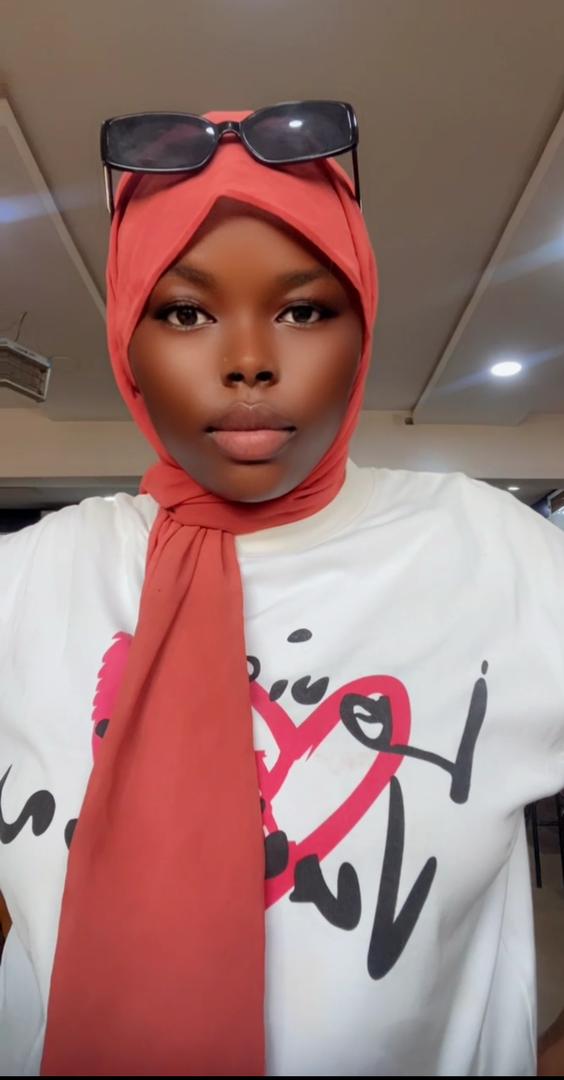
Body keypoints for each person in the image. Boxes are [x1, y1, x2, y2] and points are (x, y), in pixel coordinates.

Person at [0, 103, 563, 1078]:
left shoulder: (498, 558)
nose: (250, 360)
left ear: (363, 326)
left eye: (305, 310)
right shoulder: (26, 584)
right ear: (127, 340)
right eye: (185, 313)